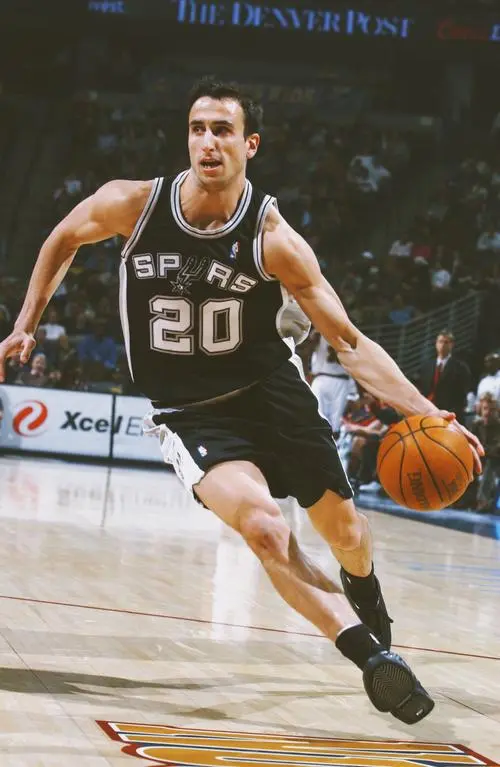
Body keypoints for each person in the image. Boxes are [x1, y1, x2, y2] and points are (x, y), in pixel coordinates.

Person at [0, 78, 483, 725]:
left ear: (250, 144)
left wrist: (424, 411)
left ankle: (363, 585)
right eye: (197, 128)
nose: (207, 141)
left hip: (273, 395)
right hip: (190, 411)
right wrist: (27, 323)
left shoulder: (272, 237)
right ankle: (372, 658)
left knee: (346, 534)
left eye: (222, 130)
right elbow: (62, 238)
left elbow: (348, 341)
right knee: (265, 528)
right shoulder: (134, 205)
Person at [417, 329, 471, 425]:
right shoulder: (427, 366)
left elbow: (462, 394)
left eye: (446, 342)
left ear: (451, 345)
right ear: (436, 344)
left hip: (448, 415)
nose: (442, 345)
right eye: (440, 341)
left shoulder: (460, 367)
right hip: (427, 413)